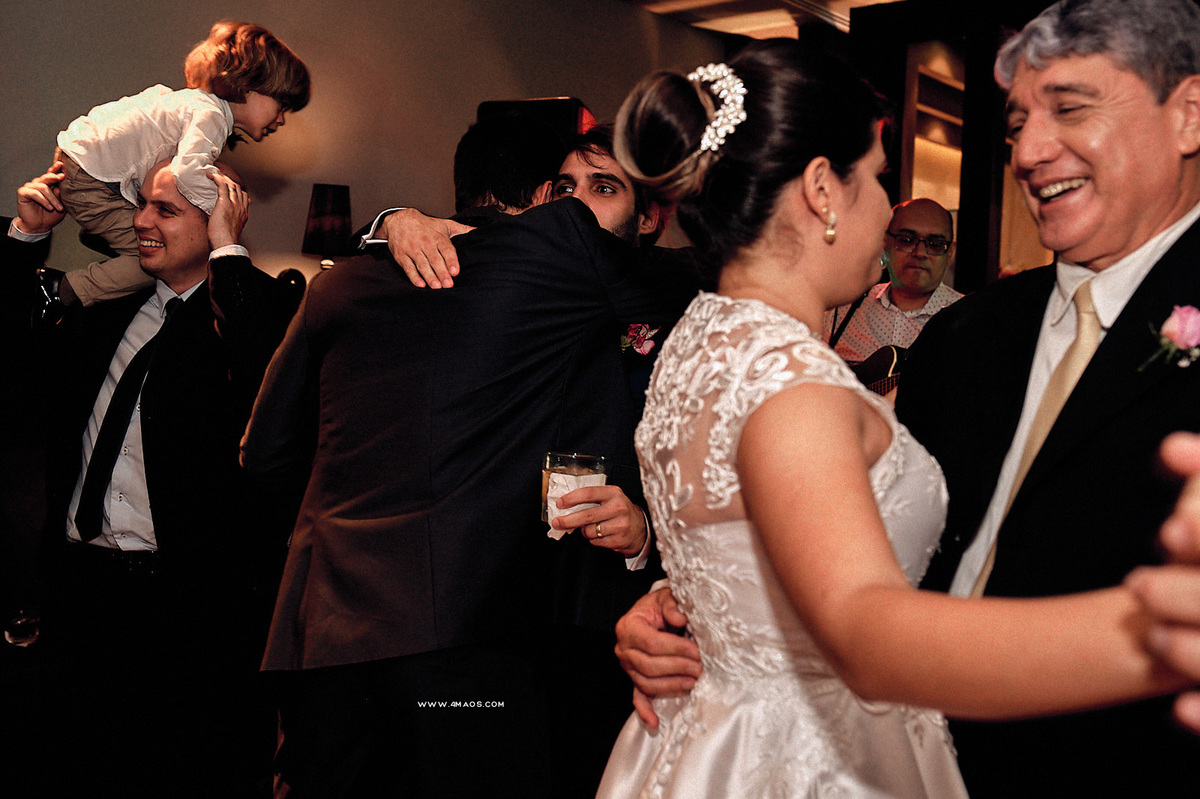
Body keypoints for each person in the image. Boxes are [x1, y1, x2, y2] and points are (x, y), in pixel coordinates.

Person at [597, 31, 1195, 799]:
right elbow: (857, 617)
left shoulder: (695, 341)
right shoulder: (855, 363)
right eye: (880, 178)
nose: (1029, 153)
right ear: (822, 190)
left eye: (1072, 109)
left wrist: (716, 600)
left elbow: (766, 528)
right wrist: (1165, 632)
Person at [241, 116, 689, 798]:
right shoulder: (557, 263)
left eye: (602, 187)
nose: (575, 205)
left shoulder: (336, 284)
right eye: (566, 188)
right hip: (468, 650)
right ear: (539, 198)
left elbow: (266, 451)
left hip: (323, 642)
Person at [6, 159, 297, 796]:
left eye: (165, 210)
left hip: (185, 618)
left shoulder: (259, 312)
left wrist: (230, 252)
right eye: (142, 204)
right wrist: (27, 240)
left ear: (216, 222)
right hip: (81, 593)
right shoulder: (107, 308)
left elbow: (265, 386)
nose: (139, 221)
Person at [40, 20, 309, 315]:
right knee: (153, 263)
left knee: (153, 243)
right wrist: (218, 211)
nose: (281, 120)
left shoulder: (193, 104)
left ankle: (105, 230)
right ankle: (62, 289)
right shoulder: (212, 117)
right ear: (248, 85)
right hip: (92, 178)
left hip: (83, 162)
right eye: (281, 105)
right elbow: (187, 171)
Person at [824, 197, 962, 363]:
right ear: (885, 242)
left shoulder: (969, 320)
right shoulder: (844, 310)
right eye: (907, 240)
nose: (920, 252)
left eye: (935, 243)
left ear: (950, 253)